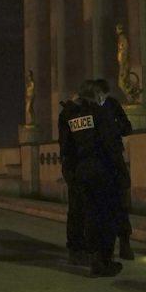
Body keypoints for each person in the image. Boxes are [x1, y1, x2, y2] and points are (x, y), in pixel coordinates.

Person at [58, 80, 128, 277]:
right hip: (103, 171)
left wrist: (70, 173)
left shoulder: (68, 115)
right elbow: (111, 143)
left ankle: (92, 256)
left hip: (80, 172)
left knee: (89, 216)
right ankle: (103, 261)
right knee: (107, 217)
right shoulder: (99, 113)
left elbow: (65, 148)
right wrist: (122, 173)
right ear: (96, 96)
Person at [93, 78, 134, 260]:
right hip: (101, 162)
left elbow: (127, 128)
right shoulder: (91, 109)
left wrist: (111, 128)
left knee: (119, 205)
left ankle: (124, 243)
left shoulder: (111, 105)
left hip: (113, 162)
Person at [57, 91, 88, 266]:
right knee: (81, 208)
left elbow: (64, 143)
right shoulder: (79, 115)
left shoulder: (65, 114)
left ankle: (76, 248)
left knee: (76, 208)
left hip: (73, 166)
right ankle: (79, 247)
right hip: (80, 167)